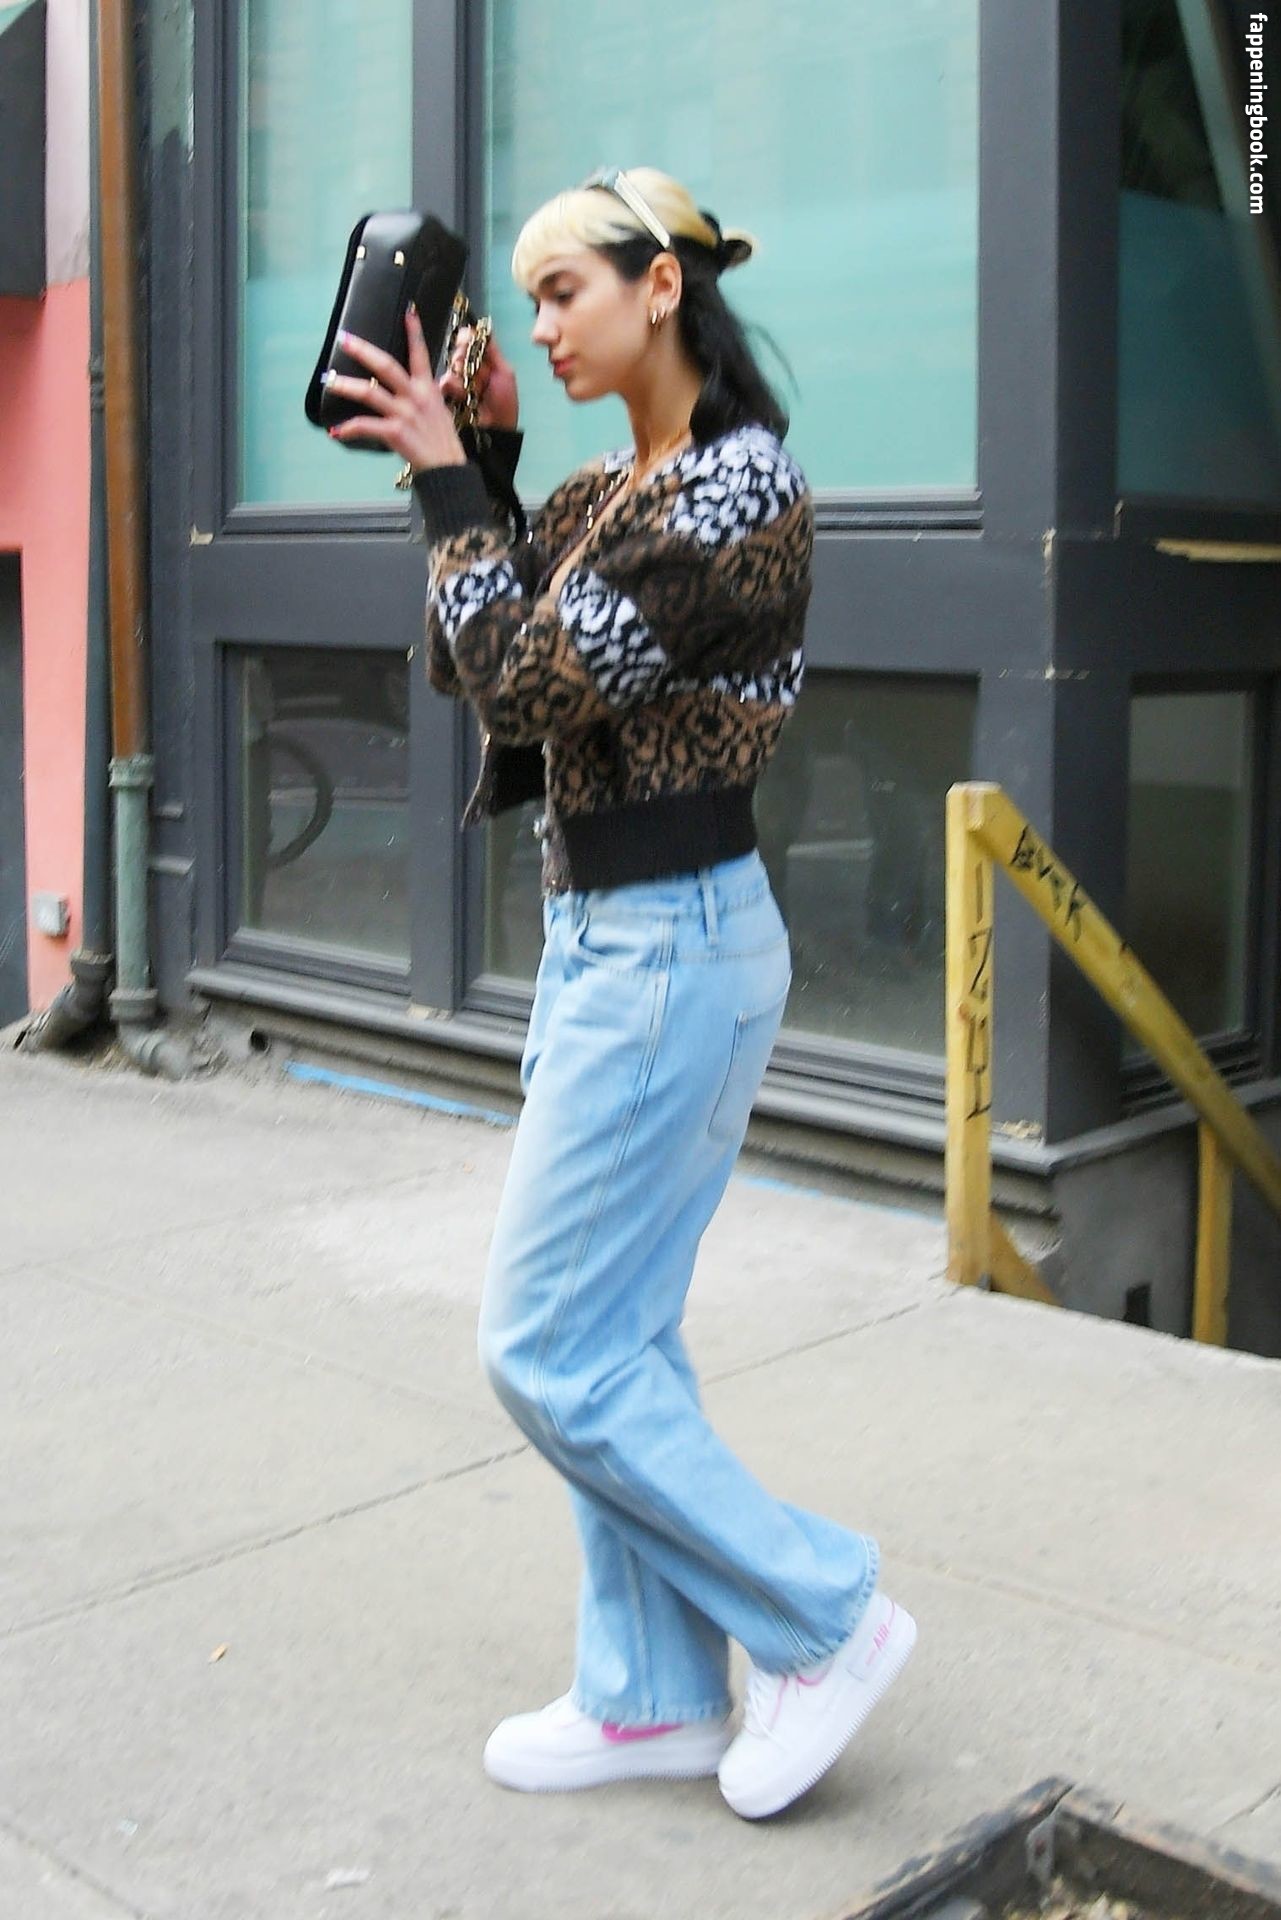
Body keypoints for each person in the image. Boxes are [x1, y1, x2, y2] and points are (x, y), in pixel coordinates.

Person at [323, 166, 916, 1822]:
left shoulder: (737, 490)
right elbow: (477, 666)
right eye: (522, 303)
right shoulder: (610, 486)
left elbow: (528, 674)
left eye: (562, 292)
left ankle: (823, 1618)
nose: (536, 328)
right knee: (616, 1337)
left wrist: (448, 486)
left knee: (543, 1344)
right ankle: (650, 1693)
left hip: (671, 943)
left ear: (662, 287)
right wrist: (487, 469)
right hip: (612, 940)